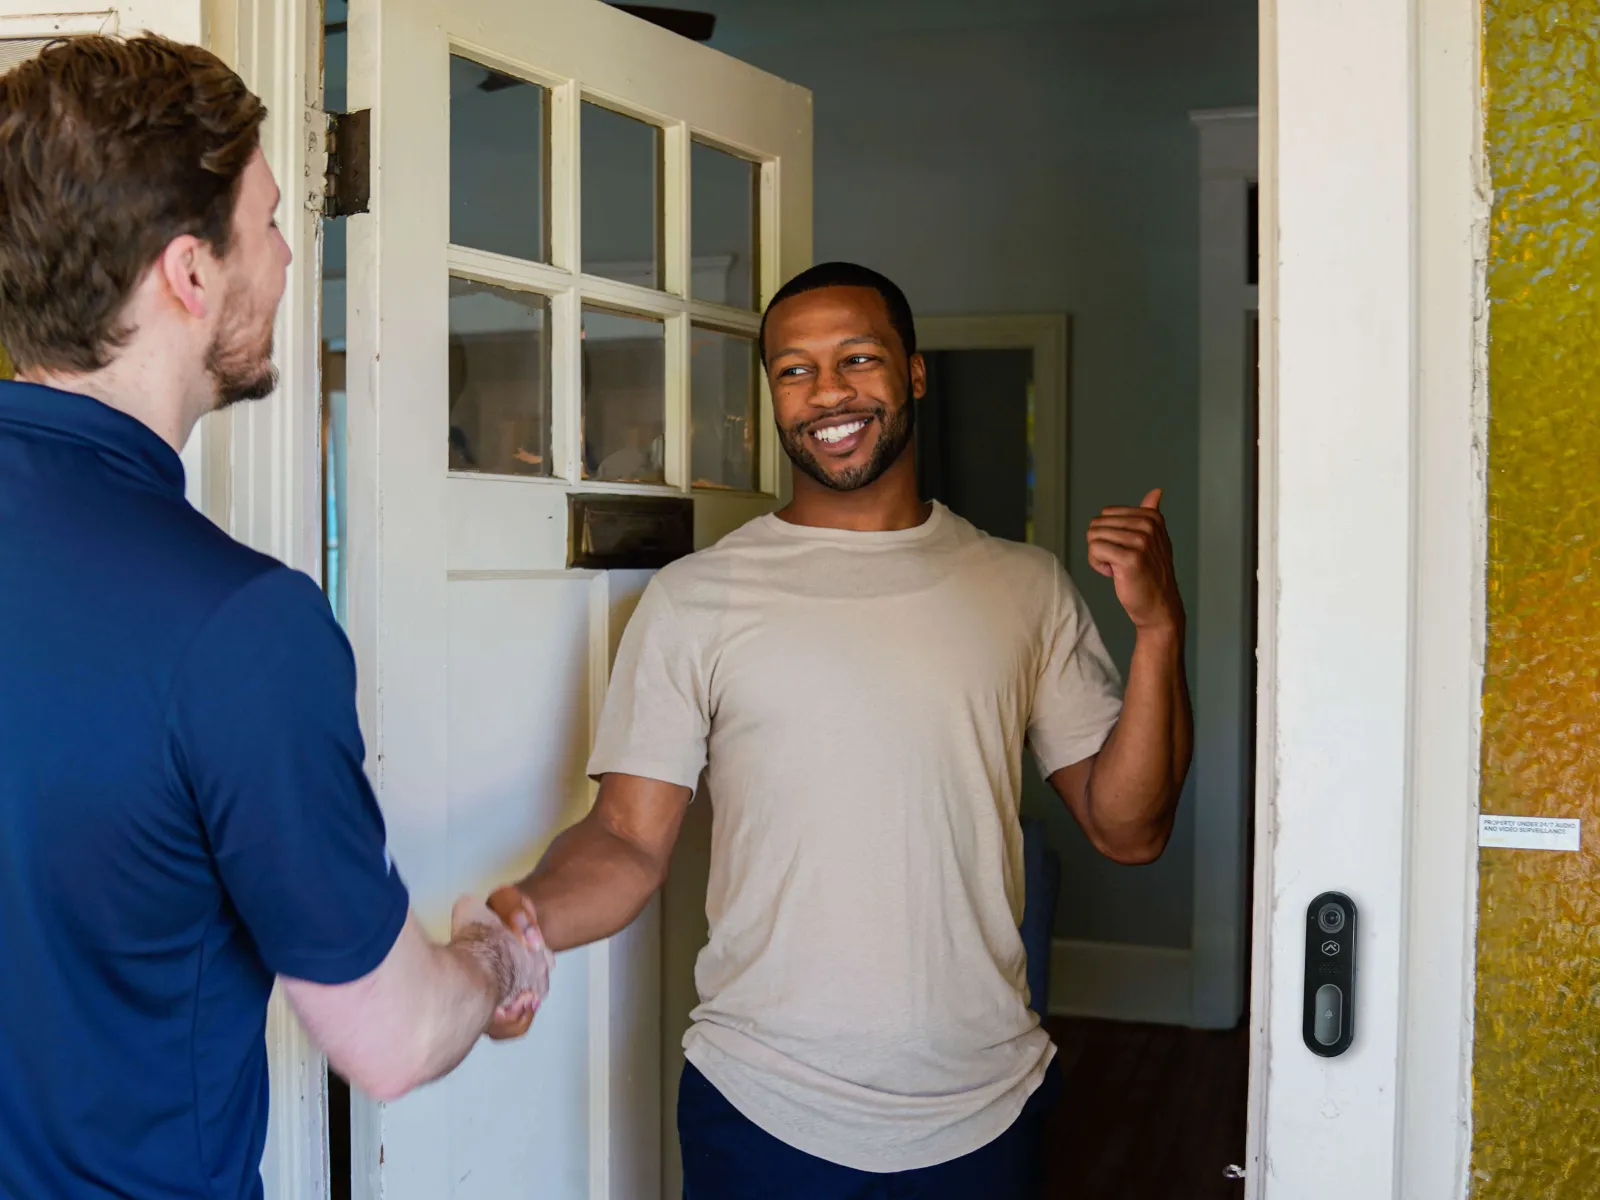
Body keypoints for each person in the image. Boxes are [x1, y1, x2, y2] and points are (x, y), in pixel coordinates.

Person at [488, 260, 1193, 1197]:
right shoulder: (696, 599)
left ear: (913, 374)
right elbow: (624, 835)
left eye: (857, 359)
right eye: (794, 369)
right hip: (760, 1105)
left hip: (983, 1103)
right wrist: (515, 932)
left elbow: (1129, 828)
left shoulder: (1022, 586)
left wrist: (1157, 629)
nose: (827, 392)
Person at [0, 35, 550, 1200]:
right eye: (269, 219)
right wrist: (495, 957)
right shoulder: (243, 628)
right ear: (190, 273)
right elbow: (390, 1038)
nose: (291, 255)